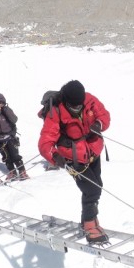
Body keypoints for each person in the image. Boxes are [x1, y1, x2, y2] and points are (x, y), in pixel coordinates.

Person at [38, 80, 111, 244]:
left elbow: (104, 115)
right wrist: (55, 156)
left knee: (97, 185)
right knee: (91, 189)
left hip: (93, 151)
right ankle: (89, 224)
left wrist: (98, 125)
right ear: (66, 101)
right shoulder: (55, 111)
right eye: (74, 106)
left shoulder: (89, 99)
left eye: (80, 104)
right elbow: (45, 142)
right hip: (72, 158)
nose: (78, 108)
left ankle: (90, 218)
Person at [0, 93, 29, 181]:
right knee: (6, 157)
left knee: (15, 155)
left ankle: (22, 171)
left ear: (4, 102)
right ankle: (12, 172)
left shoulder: (7, 110)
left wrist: (5, 110)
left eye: (0, 102)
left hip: (10, 137)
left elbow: (14, 120)